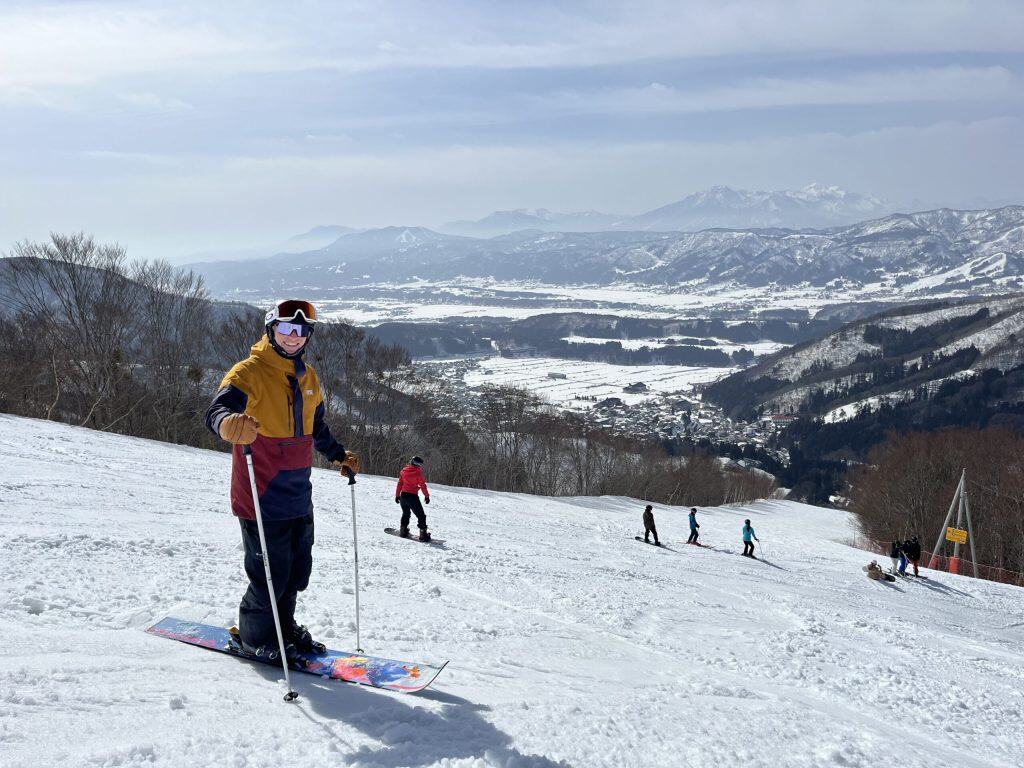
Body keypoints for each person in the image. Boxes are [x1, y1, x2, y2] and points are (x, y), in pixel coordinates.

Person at [205, 299, 358, 661]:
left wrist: (337, 454)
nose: (293, 337)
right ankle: (254, 637)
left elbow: (316, 427)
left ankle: (282, 627)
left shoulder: (309, 377)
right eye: (287, 329)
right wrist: (228, 423)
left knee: (295, 570)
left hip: (297, 489)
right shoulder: (250, 372)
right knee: (269, 574)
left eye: (301, 331)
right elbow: (215, 411)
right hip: (261, 487)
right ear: (271, 329)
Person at [396, 456, 431, 541]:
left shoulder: (403, 471)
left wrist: (397, 495)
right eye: (419, 465)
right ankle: (423, 534)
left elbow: (400, 483)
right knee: (421, 516)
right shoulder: (417, 473)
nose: (420, 466)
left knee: (406, 513)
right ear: (417, 464)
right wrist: (426, 496)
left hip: (403, 496)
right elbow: (422, 485)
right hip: (412, 497)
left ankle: (403, 531)